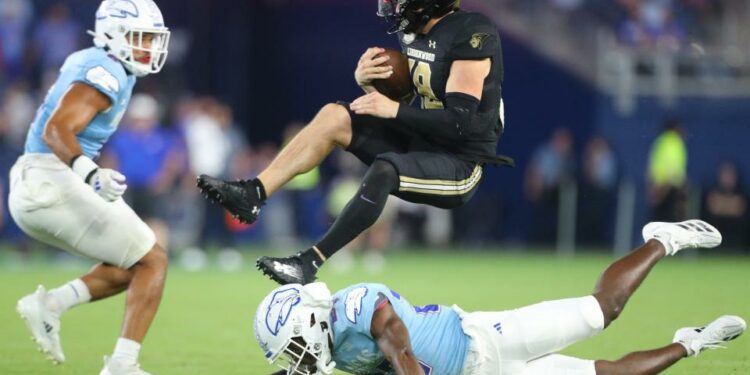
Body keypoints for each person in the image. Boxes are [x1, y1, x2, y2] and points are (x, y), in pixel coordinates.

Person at [198, 0, 512, 284]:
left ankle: (308, 263)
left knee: (385, 168)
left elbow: (460, 123)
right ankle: (253, 192)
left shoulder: (473, 32)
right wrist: (370, 86)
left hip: (460, 162)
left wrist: (392, 108)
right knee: (335, 115)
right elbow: (408, 99)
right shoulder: (413, 32)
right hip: (426, 140)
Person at [254, 219, 745, 375]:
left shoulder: (359, 302)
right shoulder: (328, 351)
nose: (298, 361)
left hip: (484, 340)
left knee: (601, 313)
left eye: (295, 348)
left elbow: (400, 350)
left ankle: (663, 239)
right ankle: (694, 342)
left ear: (311, 324)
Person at [8, 1, 170, 374]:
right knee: (154, 260)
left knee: (135, 263)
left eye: (152, 38)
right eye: (140, 37)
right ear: (114, 35)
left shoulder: (106, 64)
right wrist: (91, 174)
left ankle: (51, 305)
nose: (149, 46)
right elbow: (56, 130)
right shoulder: (106, 70)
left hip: (40, 181)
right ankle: (122, 366)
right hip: (50, 179)